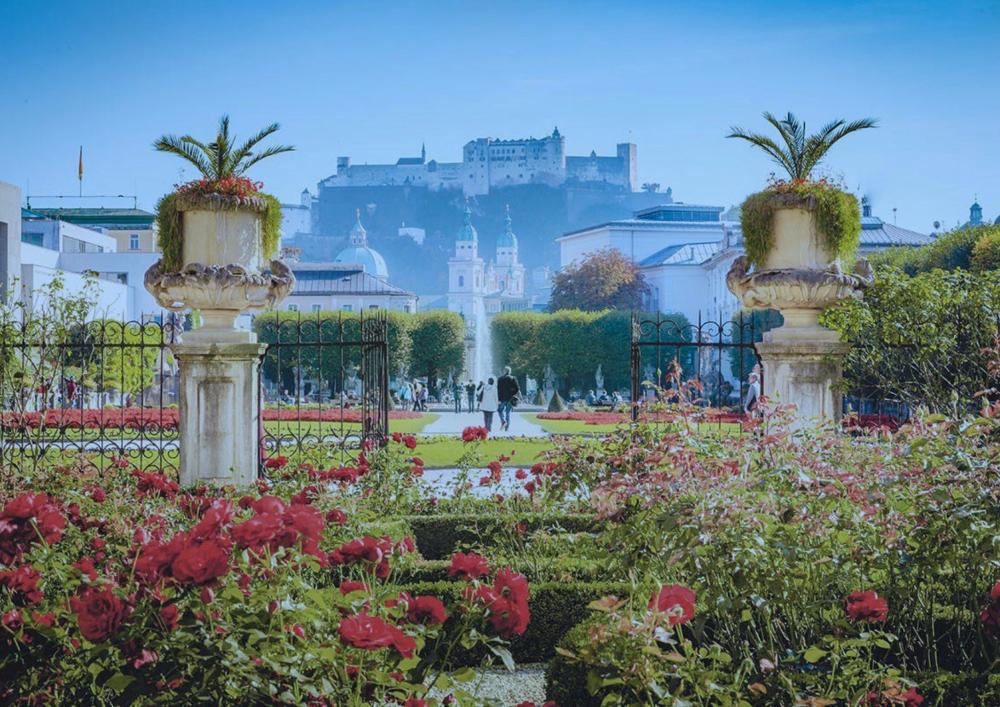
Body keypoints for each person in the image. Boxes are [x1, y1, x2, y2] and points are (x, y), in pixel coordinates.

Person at [496, 366, 520, 431]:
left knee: (499, 410)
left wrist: (498, 399)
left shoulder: (500, 379)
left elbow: (498, 390)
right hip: (510, 398)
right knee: (508, 412)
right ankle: (507, 427)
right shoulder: (513, 378)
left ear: (504, 371)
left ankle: (503, 421)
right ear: (510, 371)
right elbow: (517, 388)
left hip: (502, 398)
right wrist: (512, 393)